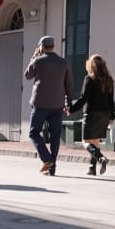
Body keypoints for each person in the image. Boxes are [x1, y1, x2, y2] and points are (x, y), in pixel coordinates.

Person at [24, 35, 72, 176]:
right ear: (54, 46)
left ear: (41, 47)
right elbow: (69, 84)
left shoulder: (38, 61)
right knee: (55, 136)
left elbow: (27, 75)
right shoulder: (63, 62)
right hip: (57, 105)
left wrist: (33, 57)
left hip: (40, 104)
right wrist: (68, 102)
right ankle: (52, 168)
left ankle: (47, 159)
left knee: (33, 133)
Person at [69, 54, 115, 176]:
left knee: (85, 141)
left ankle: (101, 158)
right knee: (95, 141)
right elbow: (111, 100)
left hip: (92, 114)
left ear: (91, 66)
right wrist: (112, 116)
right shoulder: (109, 80)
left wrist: (71, 109)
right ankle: (92, 168)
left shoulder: (89, 79)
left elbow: (83, 98)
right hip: (105, 114)